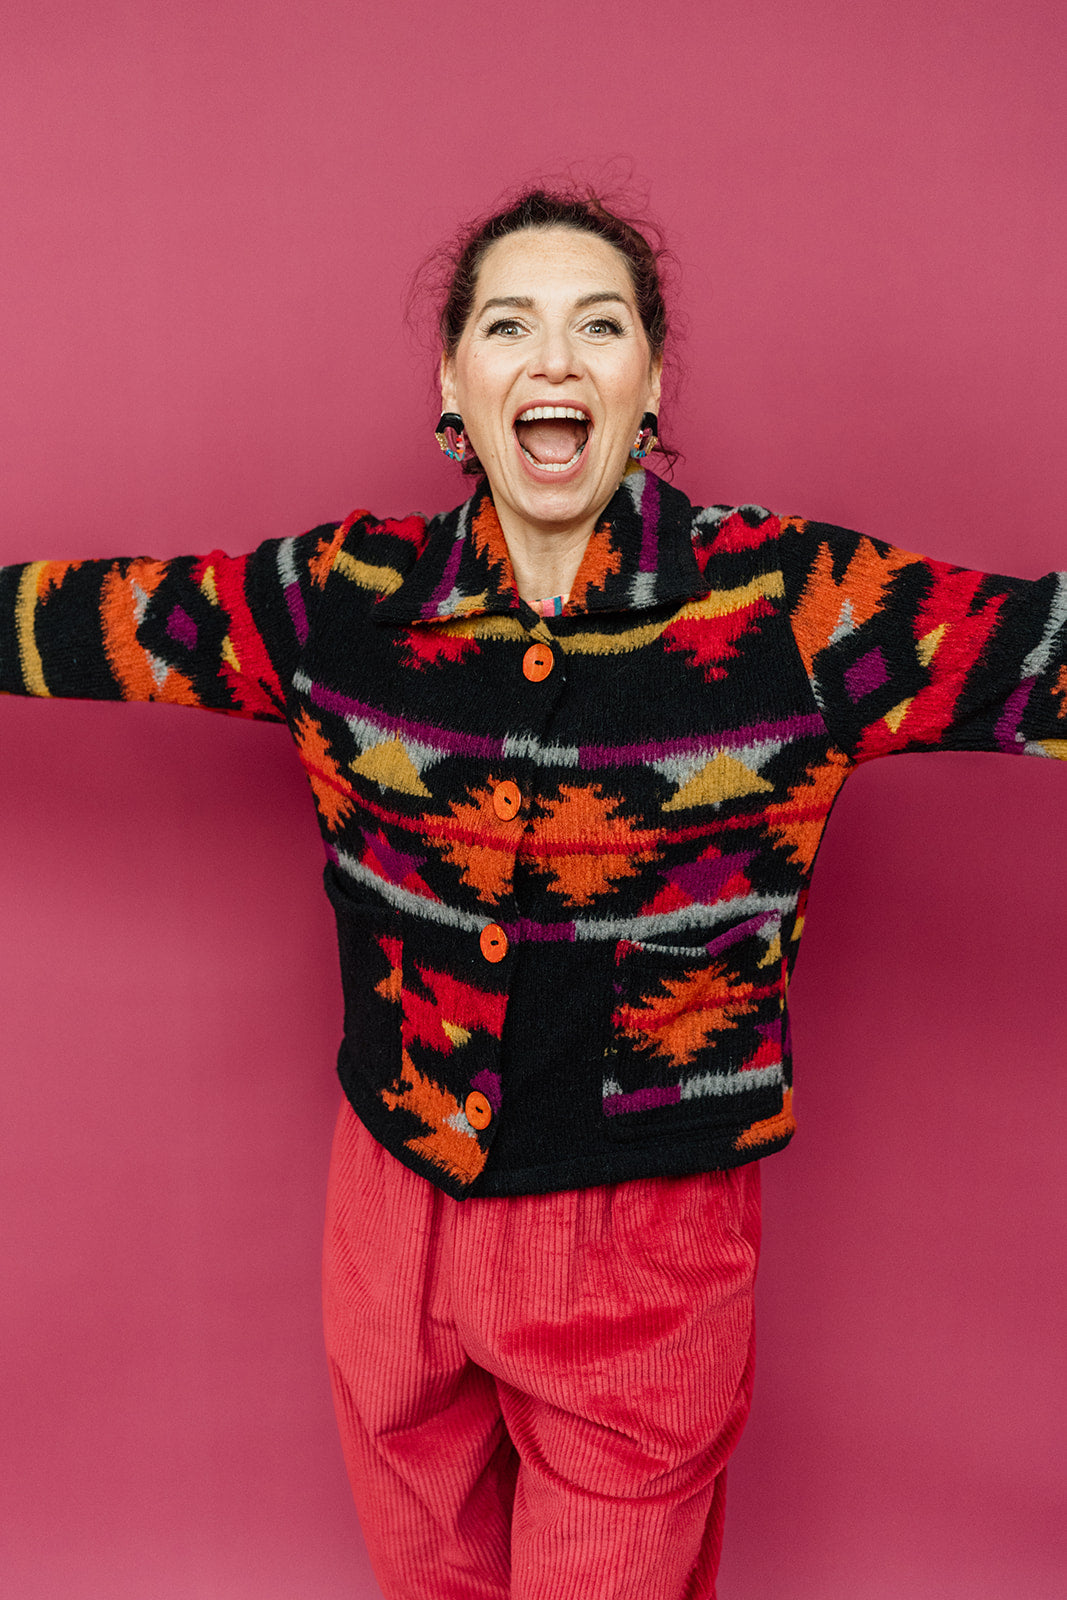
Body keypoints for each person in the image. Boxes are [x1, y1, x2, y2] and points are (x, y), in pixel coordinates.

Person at [1, 187, 1064, 1600]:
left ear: (650, 382)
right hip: (390, 1212)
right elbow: (106, 623)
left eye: (598, 326)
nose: (554, 358)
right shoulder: (343, 599)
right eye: (509, 325)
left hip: (647, 1239)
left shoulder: (793, 608)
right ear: (454, 384)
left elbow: (1042, 656)